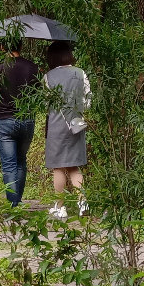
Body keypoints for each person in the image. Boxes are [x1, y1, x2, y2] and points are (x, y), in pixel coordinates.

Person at [0, 35, 39, 206]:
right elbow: (37, 95)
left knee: (9, 165)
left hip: (5, 121)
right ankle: (18, 201)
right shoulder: (32, 68)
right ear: (21, 46)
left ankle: (13, 204)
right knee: (21, 161)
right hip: (27, 120)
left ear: (3, 47)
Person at [42, 40, 91, 220]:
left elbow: (47, 103)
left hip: (56, 127)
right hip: (76, 125)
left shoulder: (48, 77)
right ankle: (83, 201)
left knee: (58, 168)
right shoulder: (81, 73)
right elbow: (88, 100)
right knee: (74, 166)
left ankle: (59, 207)